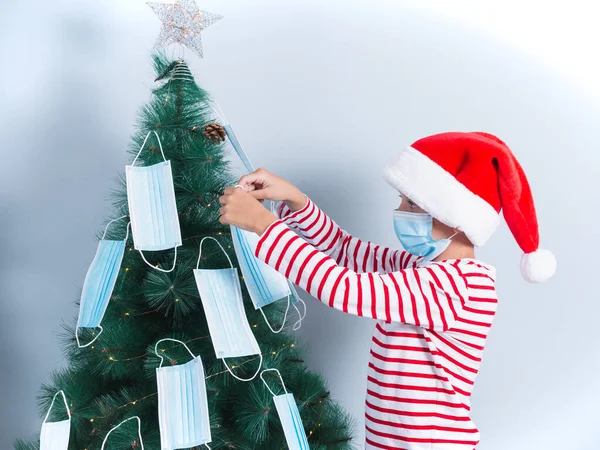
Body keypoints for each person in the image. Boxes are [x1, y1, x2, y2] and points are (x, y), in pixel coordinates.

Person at [218, 131, 556, 449]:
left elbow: (343, 289)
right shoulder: (421, 270)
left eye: (411, 203)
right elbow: (345, 249)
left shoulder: (455, 285)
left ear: (454, 217)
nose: (399, 211)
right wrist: (295, 200)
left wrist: (264, 226)